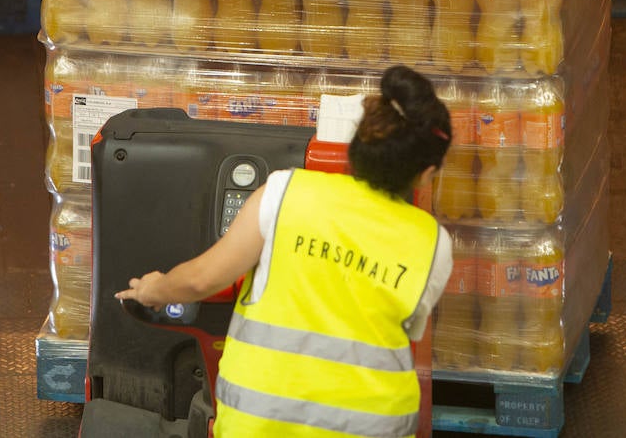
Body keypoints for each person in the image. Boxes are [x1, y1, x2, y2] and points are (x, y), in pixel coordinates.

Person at [117, 64, 455, 437]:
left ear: (356, 146)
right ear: (426, 173)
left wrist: (155, 290)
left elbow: (200, 281)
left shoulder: (285, 193)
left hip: (262, 423)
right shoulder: (433, 244)